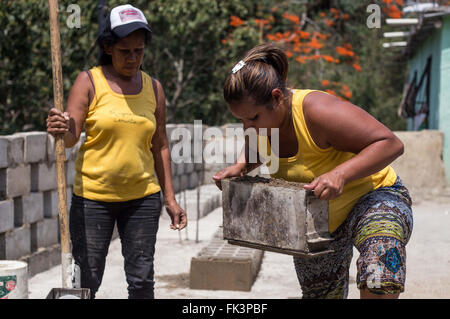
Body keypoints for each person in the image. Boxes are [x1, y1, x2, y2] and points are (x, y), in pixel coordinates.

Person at [213, 43, 413, 299]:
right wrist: (241, 166)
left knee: (380, 263)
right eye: (240, 120)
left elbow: (390, 144)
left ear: (276, 97)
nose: (247, 126)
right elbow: (257, 147)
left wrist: (339, 174)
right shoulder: (257, 124)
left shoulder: (317, 111)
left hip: (373, 196)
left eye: (252, 118)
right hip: (316, 219)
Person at [46, 4, 187, 299]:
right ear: (109, 47)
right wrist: (61, 127)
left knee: (141, 279)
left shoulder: (154, 88)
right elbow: (71, 136)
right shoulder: (89, 81)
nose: (133, 58)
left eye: (139, 51)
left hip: (143, 199)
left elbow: (160, 144)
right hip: (93, 199)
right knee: (87, 279)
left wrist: (171, 199)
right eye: (125, 51)